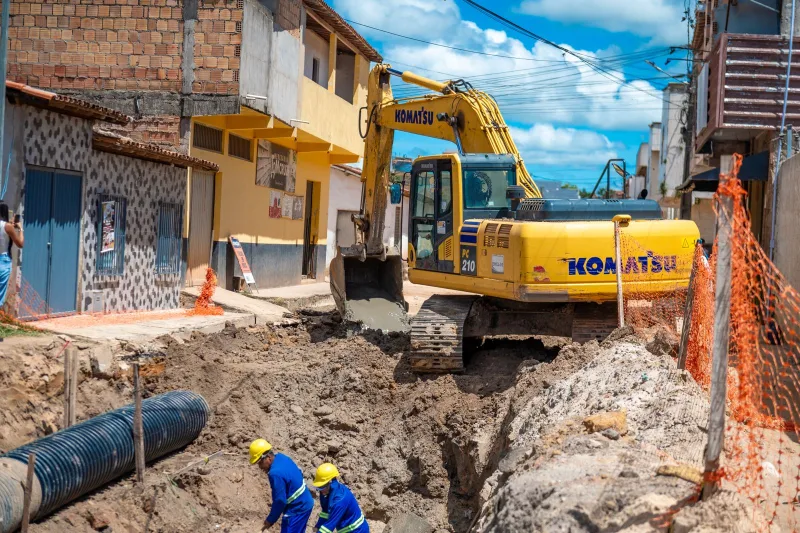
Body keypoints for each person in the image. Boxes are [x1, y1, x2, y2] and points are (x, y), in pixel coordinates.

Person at [249, 439, 313, 533]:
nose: (260, 467)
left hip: (298, 509)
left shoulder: (275, 473)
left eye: (260, 463)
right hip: (306, 501)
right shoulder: (281, 457)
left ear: (268, 458)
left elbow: (280, 501)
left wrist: (270, 520)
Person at [312, 463, 368, 533]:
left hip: (358, 531)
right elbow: (325, 512)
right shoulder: (330, 493)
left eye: (322, 487)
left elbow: (328, 528)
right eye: (318, 487)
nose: (320, 490)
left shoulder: (340, 500)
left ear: (331, 482)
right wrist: (318, 526)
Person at [0, 203, 23, 308]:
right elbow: (20, 244)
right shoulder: (7, 227)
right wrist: (20, 229)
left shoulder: (7, 226)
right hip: (3, 261)